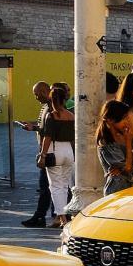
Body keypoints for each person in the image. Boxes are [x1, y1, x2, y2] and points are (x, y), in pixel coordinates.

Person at [18, 81, 54, 227]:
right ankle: (44, 215)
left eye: (37, 94)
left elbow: (50, 133)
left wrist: (43, 154)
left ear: (45, 91)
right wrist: (34, 128)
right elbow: (45, 129)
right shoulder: (46, 107)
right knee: (48, 186)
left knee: (47, 186)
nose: (36, 98)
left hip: (49, 152)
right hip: (46, 151)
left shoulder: (52, 108)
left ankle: (42, 216)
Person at [38, 85, 75, 228]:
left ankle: (62, 217)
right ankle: (66, 214)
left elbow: (48, 137)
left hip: (55, 150)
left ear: (52, 99)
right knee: (65, 186)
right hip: (68, 151)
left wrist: (42, 155)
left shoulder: (51, 115)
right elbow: (73, 137)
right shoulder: (71, 116)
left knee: (55, 186)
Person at [96, 100, 133, 195]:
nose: (127, 122)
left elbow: (132, 167)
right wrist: (129, 143)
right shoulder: (106, 142)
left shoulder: (122, 137)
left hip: (126, 187)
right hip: (115, 189)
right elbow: (128, 168)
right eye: (124, 118)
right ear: (111, 120)